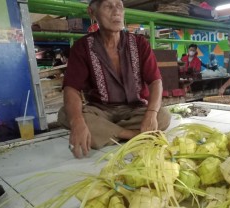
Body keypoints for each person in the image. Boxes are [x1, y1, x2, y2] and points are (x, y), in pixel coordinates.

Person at [57, 0, 171, 158]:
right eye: (108, 6)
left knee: (163, 116)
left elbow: (155, 81)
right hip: (101, 110)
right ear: (92, 12)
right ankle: (132, 135)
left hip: (134, 109)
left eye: (119, 6)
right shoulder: (82, 47)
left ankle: (106, 134)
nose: (116, 12)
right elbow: (71, 88)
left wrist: (151, 114)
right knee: (65, 115)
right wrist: (77, 122)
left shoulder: (139, 44)